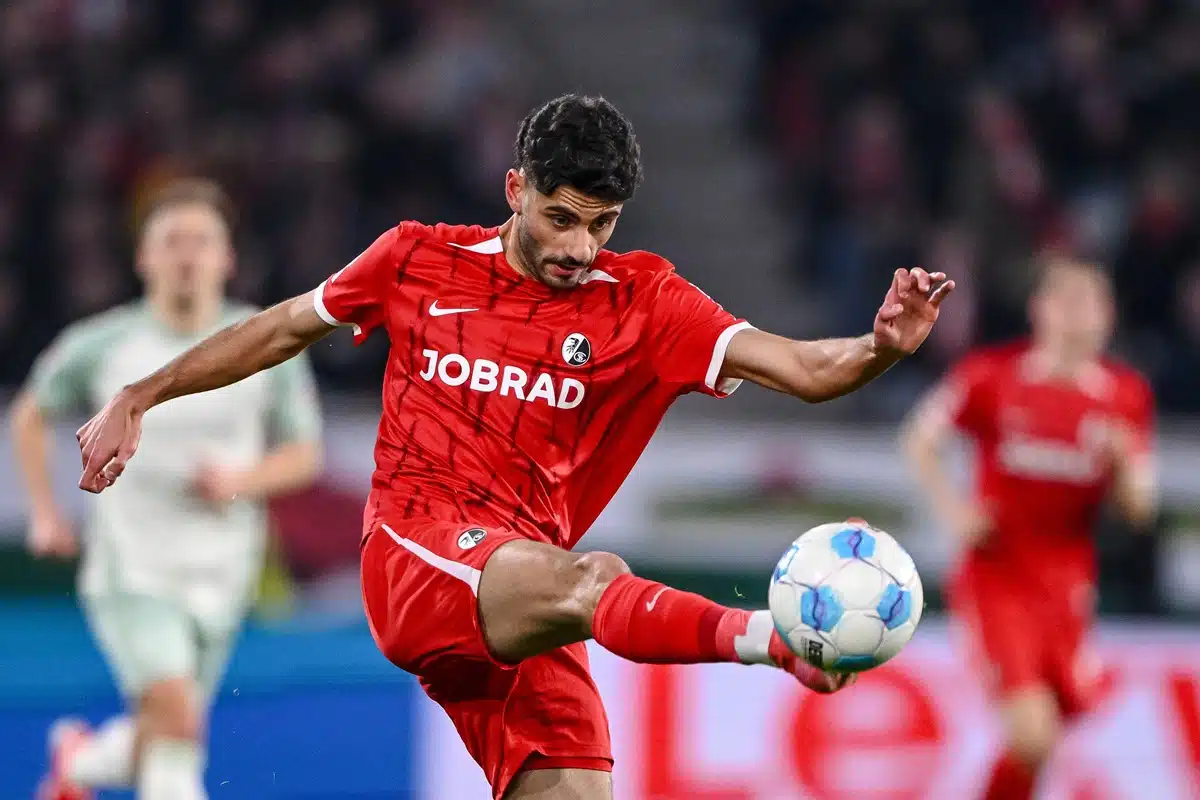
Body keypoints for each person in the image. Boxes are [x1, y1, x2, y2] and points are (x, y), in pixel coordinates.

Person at [73, 95, 953, 800]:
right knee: (596, 577)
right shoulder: (415, 260)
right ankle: (772, 642)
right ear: (513, 189)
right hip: (418, 558)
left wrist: (879, 347)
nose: (579, 247)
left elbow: (802, 368)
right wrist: (143, 394)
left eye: (601, 224)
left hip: (527, 600)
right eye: (561, 218)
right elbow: (279, 331)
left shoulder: (646, 303)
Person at [11, 179, 324, 800]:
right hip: (133, 567)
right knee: (177, 722)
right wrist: (44, 515)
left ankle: (76, 764)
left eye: (202, 241)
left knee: (169, 732)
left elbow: (306, 454)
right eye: (171, 241)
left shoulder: (263, 342)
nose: (187, 254)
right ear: (143, 258)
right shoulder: (102, 343)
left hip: (224, 569)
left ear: (228, 257)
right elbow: (29, 413)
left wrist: (242, 479)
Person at [902, 258, 1157, 800]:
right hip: (998, 575)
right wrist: (955, 512)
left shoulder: (1124, 396)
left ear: (1108, 316)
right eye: (1063, 300)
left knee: (1046, 736)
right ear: (1037, 309)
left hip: (1067, 580)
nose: (1074, 315)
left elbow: (1139, 509)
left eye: (1088, 302)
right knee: (1033, 733)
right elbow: (920, 439)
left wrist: (1124, 466)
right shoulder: (991, 376)